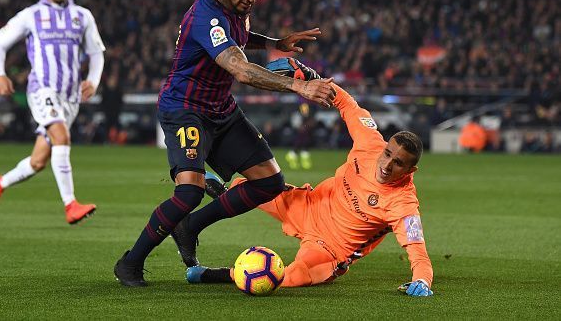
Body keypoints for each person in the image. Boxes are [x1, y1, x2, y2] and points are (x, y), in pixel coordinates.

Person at [113, 0, 336, 287]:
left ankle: (190, 226)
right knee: (188, 192)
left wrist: (275, 43)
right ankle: (131, 263)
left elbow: (241, 36)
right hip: (185, 109)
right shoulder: (208, 16)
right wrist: (298, 85)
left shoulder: (234, 9)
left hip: (221, 109)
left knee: (269, 182)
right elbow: (241, 70)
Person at [186, 83, 434, 297]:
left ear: (410, 171)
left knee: (287, 278)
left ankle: (215, 274)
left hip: (328, 249)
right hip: (308, 204)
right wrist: (309, 78)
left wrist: (422, 280)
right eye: (387, 153)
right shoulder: (370, 144)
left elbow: (418, 253)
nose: (387, 164)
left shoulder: (403, 204)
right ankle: (224, 191)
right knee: (256, 189)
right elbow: (347, 103)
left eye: (398, 163)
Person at [0, 0, 105, 225]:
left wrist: (93, 80)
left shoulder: (82, 16)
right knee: (61, 137)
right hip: (42, 90)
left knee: (38, 162)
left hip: (70, 97)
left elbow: (96, 53)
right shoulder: (31, 15)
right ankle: (70, 204)